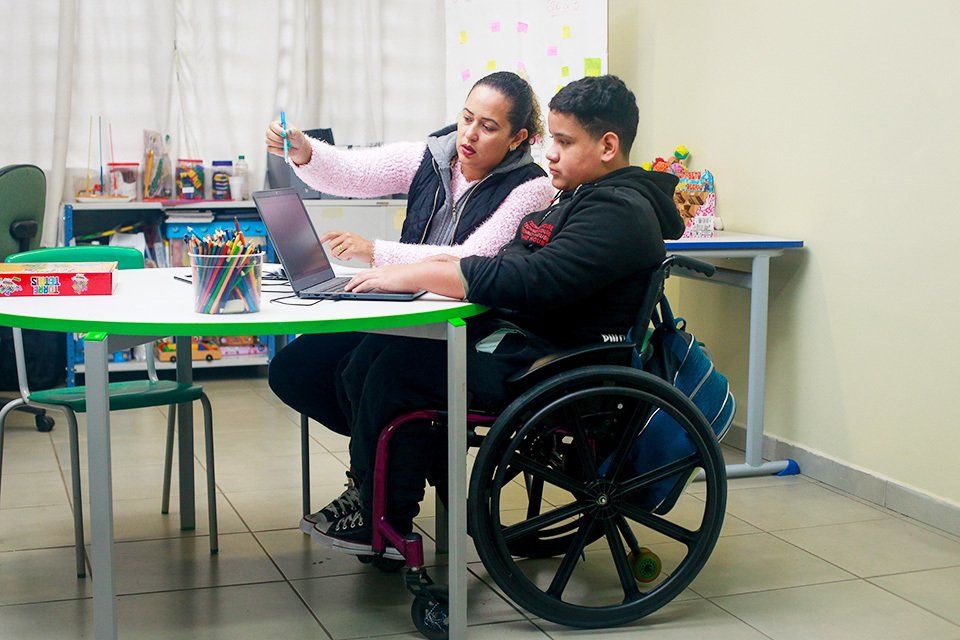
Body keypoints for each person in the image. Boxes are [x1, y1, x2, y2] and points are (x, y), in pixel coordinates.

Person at [309, 75, 686, 555]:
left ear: (608, 145)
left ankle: (383, 512)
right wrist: (428, 268)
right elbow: (510, 261)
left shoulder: (617, 210)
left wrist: (414, 274)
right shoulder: (582, 197)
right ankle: (381, 502)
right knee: (376, 353)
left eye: (565, 142)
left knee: (393, 371)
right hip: (531, 341)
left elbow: (531, 280)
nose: (550, 153)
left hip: (553, 361)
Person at [264, 71, 555, 535]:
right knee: (295, 368)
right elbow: (356, 171)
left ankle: (379, 498)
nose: (469, 135)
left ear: (519, 137)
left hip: (466, 322)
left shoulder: (532, 188)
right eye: (465, 118)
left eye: (488, 126)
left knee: (368, 372)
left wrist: (375, 253)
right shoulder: (435, 156)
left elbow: (472, 258)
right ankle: (398, 457)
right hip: (404, 311)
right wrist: (305, 151)